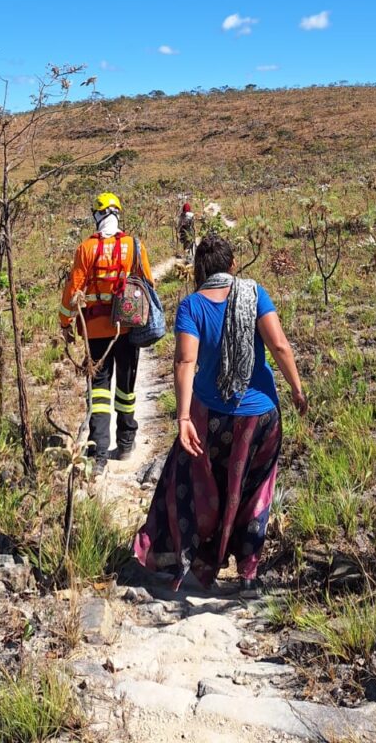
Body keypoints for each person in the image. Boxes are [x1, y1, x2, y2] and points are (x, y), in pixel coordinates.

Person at [133, 233, 306, 591]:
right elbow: (279, 344)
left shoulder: (192, 307)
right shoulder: (254, 295)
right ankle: (248, 570)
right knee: (255, 491)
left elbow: (184, 360)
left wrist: (183, 419)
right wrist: (297, 389)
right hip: (261, 416)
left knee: (193, 484)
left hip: (209, 417)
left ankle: (194, 560)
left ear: (200, 270)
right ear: (232, 265)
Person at [58, 191, 154, 465]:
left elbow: (72, 291)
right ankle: (125, 444)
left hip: (95, 332)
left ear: (98, 215)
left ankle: (98, 454)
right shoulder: (134, 245)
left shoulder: (86, 249)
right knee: (126, 387)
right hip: (127, 331)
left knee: (98, 390)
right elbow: (148, 283)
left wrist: (64, 323)